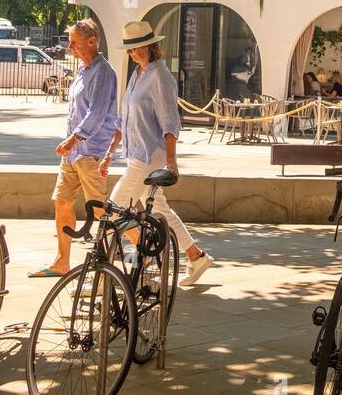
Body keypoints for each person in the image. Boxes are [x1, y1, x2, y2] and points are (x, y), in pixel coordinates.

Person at [110, 20, 213, 287]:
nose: (132, 53)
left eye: (137, 48)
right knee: (162, 211)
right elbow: (126, 118)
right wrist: (110, 151)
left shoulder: (160, 76)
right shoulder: (137, 74)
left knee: (116, 208)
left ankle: (134, 260)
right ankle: (196, 256)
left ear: (149, 46)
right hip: (136, 153)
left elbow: (170, 123)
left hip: (149, 156)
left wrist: (172, 163)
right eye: (129, 50)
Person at [31, 19, 119, 278]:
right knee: (62, 202)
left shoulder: (103, 72)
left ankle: (124, 256)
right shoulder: (83, 70)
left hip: (90, 150)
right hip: (73, 152)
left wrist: (74, 138)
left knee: (100, 209)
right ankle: (62, 261)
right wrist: (71, 142)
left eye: (74, 42)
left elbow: (98, 112)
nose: (69, 47)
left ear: (92, 42)